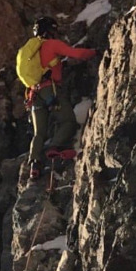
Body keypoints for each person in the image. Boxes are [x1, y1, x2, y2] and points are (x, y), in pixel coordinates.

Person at [26, 17, 97, 180]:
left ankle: (34, 165)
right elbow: (76, 53)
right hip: (50, 90)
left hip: (34, 94)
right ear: (50, 31)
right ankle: (54, 147)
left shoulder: (32, 51)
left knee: (39, 132)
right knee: (68, 121)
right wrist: (94, 52)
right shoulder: (51, 44)